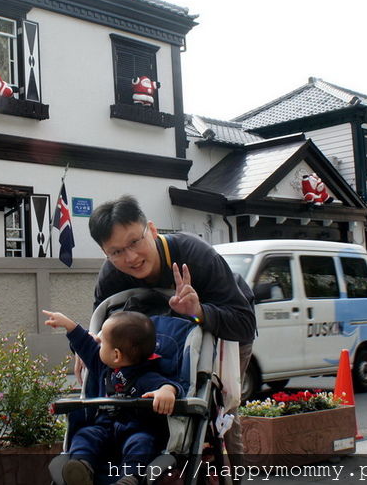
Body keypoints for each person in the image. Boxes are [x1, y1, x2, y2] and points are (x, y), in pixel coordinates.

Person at [88, 195, 256, 462]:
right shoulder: (112, 274)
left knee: (220, 408)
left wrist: (198, 312)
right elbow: (101, 322)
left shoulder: (195, 256)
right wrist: (85, 346)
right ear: (105, 253)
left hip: (221, 328)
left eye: (135, 241)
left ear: (152, 230)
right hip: (152, 341)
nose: (130, 257)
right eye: (116, 251)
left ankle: (230, 471)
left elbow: (244, 324)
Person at [43, 309, 181, 485]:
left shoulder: (145, 376)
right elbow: (85, 343)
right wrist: (67, 324)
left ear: (116, 354)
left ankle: (129, 478)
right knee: (85, 435)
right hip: (104, 427)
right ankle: (81, 467)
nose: (98, 345)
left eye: (103, 343)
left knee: (143, 443)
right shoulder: (102, 366)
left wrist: (167, 391)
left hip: (134, 429)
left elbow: (167, 384)